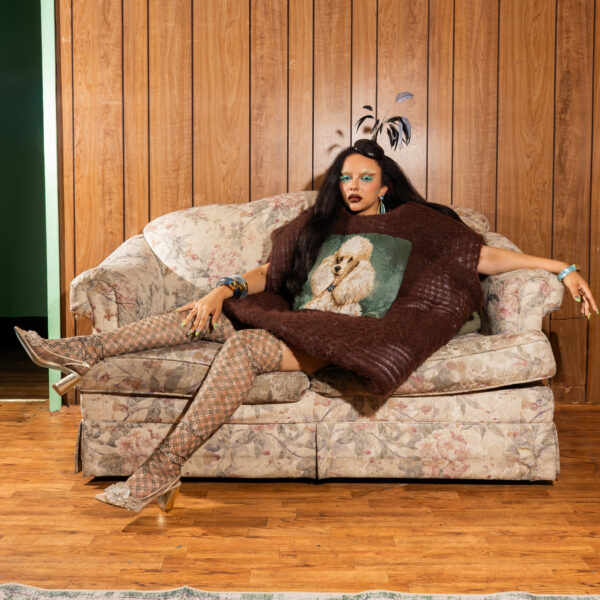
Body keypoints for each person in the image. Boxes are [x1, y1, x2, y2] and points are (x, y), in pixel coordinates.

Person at [15, 138, 598, 513]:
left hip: (351, 334)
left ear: (385, 184)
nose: (353, 186)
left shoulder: (418, 223)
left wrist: (562, 267)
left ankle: (161, 470)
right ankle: (82, 349)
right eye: (346, 177)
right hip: (299, 318)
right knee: (208, 318)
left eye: (365, 178)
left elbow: (483, 257)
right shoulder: (320, 225)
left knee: (243, 350)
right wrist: (222, 289)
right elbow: (272, 273)